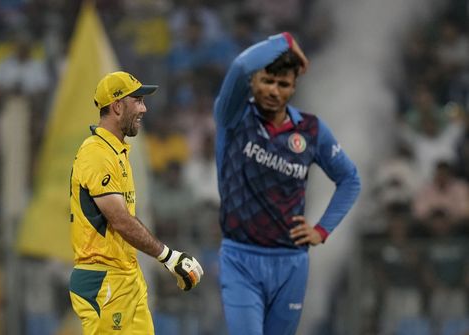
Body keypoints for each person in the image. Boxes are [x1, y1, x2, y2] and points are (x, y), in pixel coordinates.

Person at [214, 32, 361, 335]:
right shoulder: (233, 116)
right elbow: (241, 65)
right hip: (240, 258)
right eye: (267, 81)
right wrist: (283, 41)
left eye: (283, 84)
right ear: (253, 83)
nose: (273, 91)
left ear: (294, 88)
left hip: (291, 264)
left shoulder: (311, 130)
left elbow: (350, 180)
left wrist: (321, 230)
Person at [68, 71, 203, 334]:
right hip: (104, 278)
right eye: (138, 100)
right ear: (118, 106)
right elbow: (119, 219)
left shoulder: (116, 151)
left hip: (125, 276)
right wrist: (168, 256)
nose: (144, 108)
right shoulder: (96, 153)